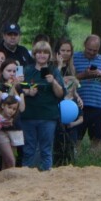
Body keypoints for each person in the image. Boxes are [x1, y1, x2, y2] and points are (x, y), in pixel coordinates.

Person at [21, 41, 64, 170]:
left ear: (49, 55)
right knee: (29, 149)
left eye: (45, 52)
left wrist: (53, 82)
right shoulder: (27, 70)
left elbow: (60, 94)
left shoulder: (54, 71)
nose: (42, 55)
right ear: (34, 54)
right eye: (39, 52)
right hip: (28, 116)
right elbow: (17, 89)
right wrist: (28, 92)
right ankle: (26, 177)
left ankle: (47, 177)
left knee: (46, 149)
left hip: (48, 116)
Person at [71, 34, 101, 146]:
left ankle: (95, 162)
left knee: (98, 141)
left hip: (98, 106)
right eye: (89, 49)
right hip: (78, 105)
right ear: (84, 45)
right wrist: (83, 75)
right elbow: (68, 80)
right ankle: (74, 161)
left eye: (95, 50)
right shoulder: (74, 57)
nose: (91, 52)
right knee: (75, 140)